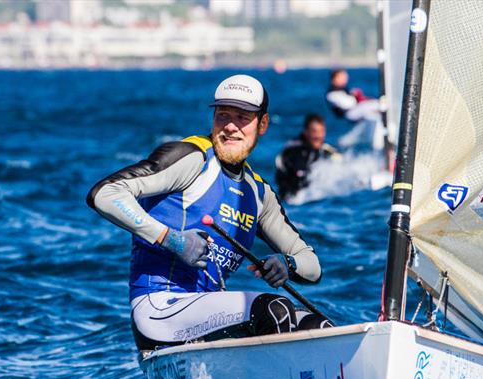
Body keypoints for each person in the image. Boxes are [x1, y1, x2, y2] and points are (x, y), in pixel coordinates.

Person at [87, 74, 330, 351]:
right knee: (273, 309)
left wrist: (287, 265)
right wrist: (169, 238)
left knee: (318, 327)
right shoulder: (192, 158)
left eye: (242, 117)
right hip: (159, 308)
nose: (229, 127)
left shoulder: (259, 193)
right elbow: (105, 194)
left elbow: (312, 266)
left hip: (208, 318)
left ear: (262, 124)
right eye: (222, 115)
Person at [274, 113, 340, 201]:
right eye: (314, 131)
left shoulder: (326, 150)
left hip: (313, 199)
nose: (318, 136)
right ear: (305, 132)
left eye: (321, 131)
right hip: (289, 199)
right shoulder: (292, 150)